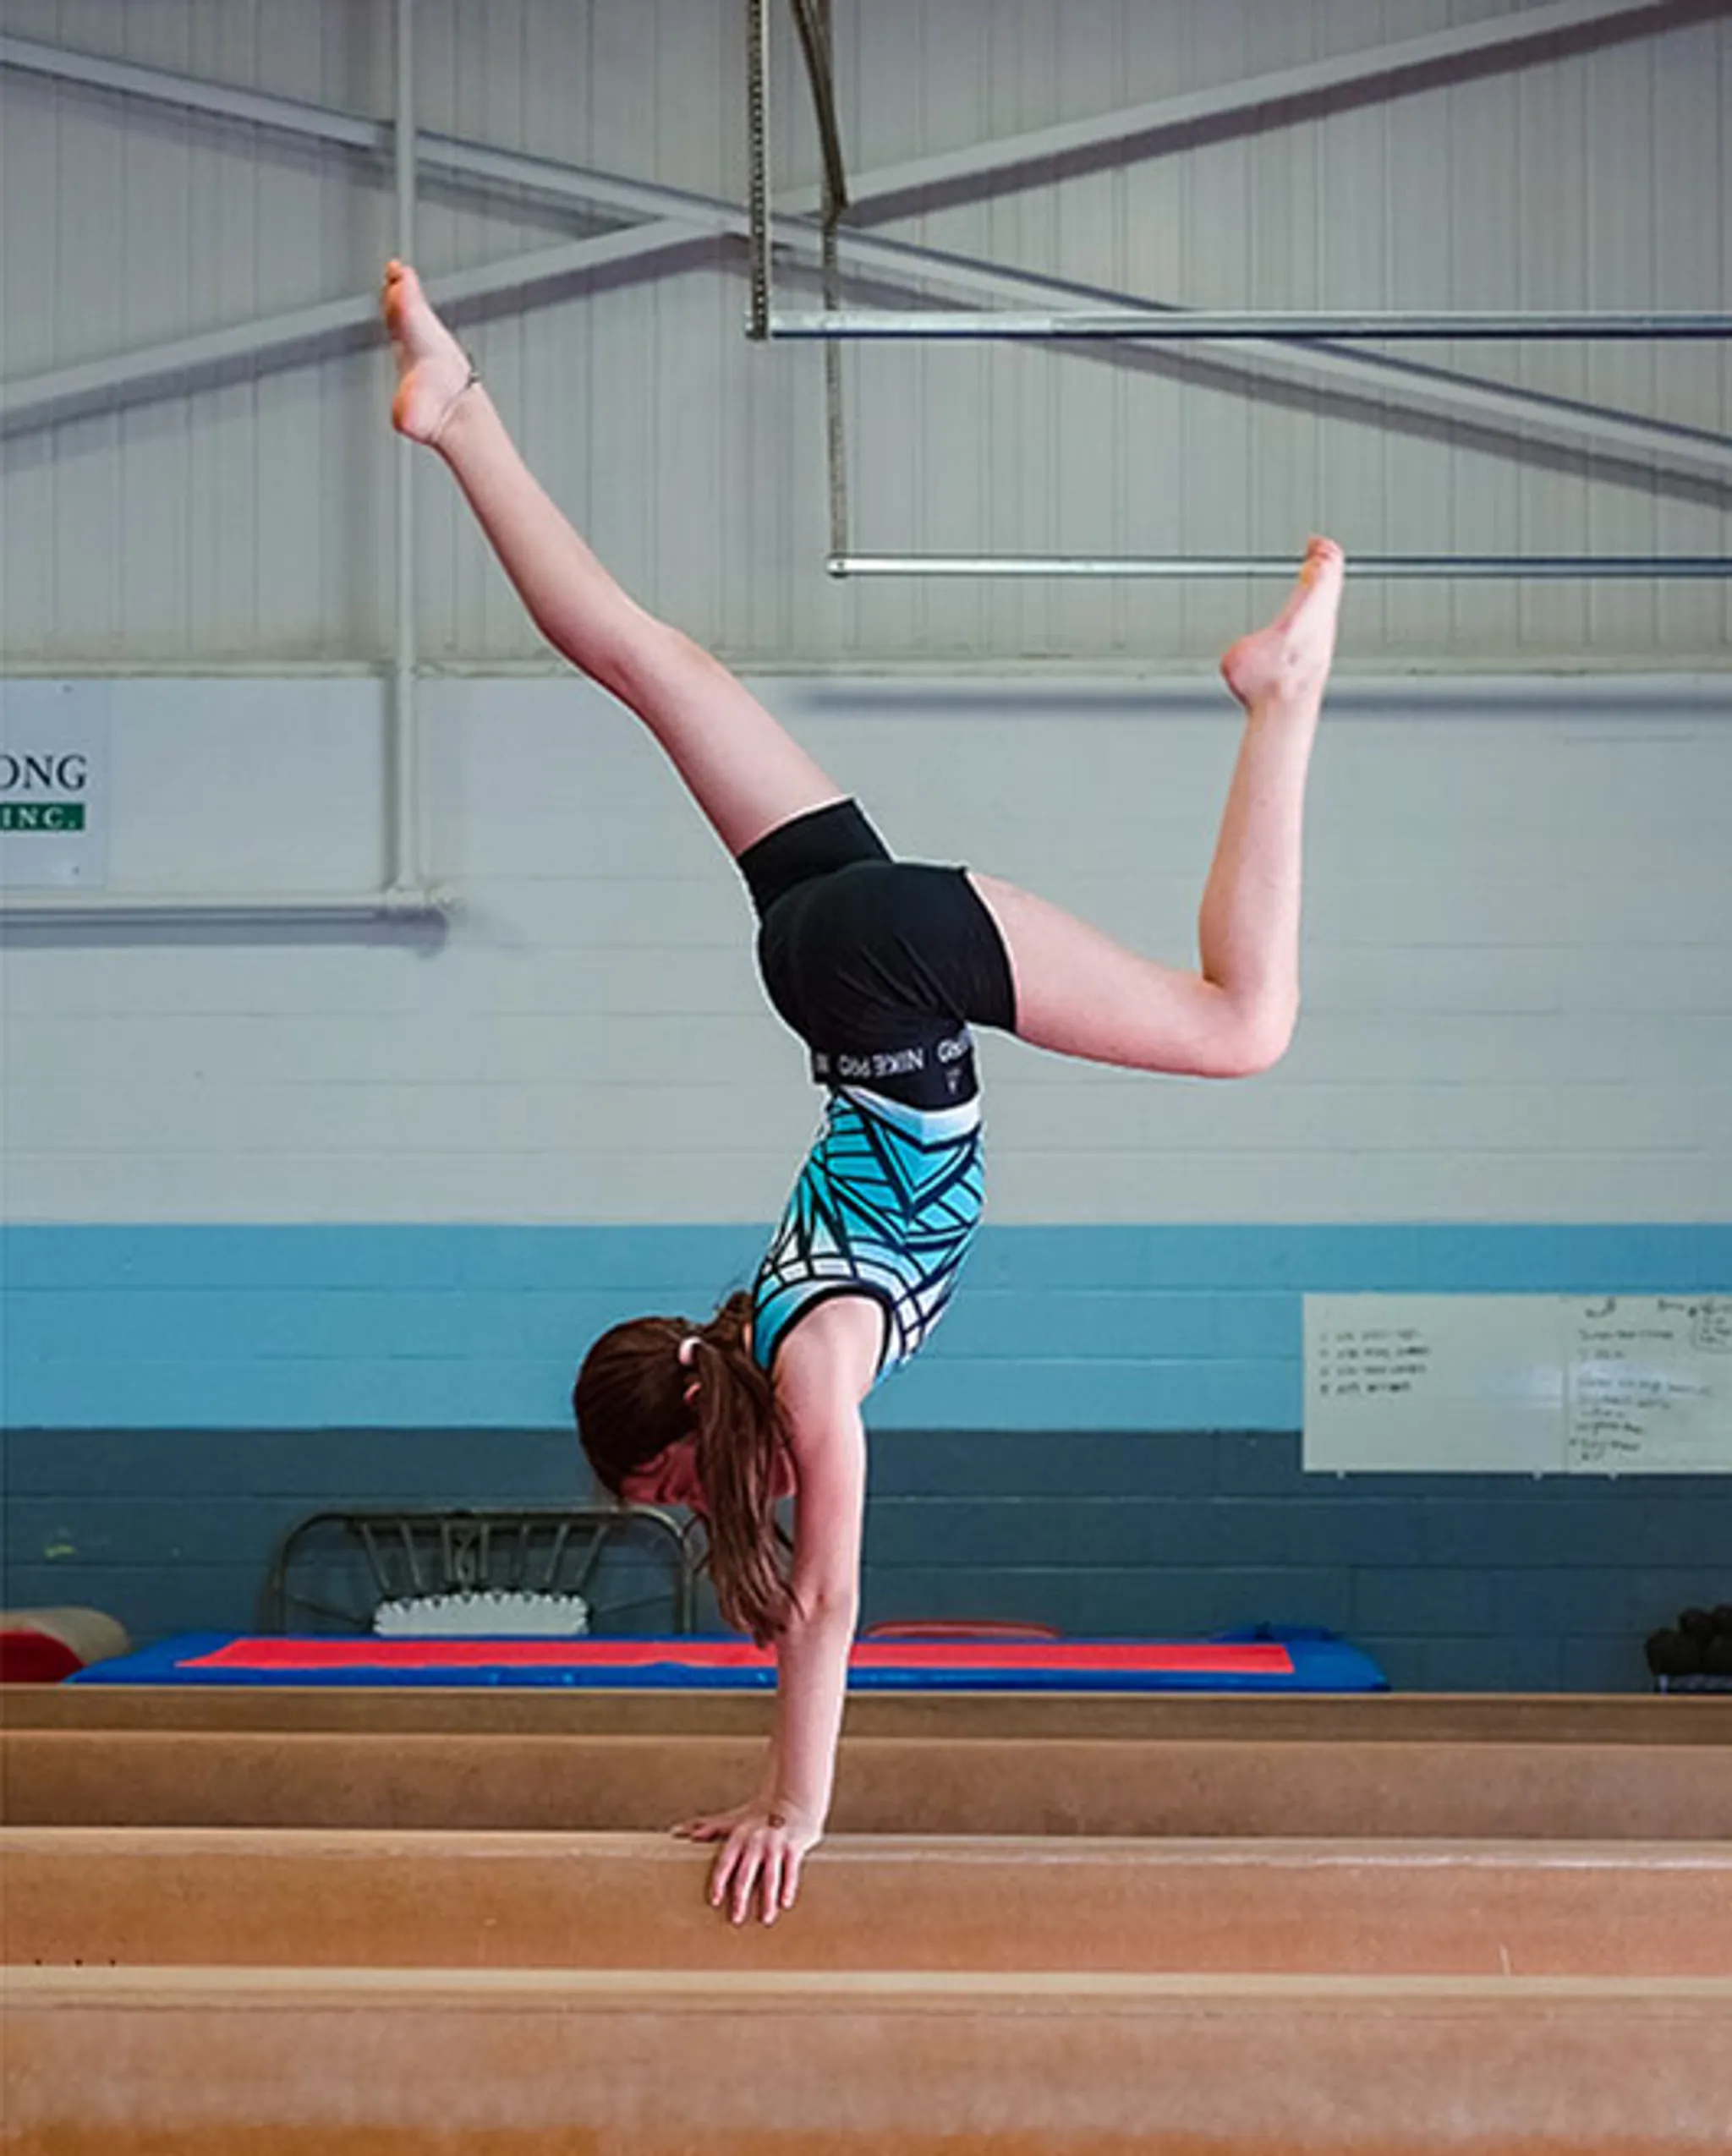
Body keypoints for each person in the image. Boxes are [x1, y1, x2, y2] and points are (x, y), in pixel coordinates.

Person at [381, 259, 1345, 1928]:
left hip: (886, 985)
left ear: (680, 1450)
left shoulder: (810, 1363)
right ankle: (457, 415)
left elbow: (825, 1600)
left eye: (668, 1497)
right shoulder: (757, 1322)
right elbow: (790, 1552)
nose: (688, 1518)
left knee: (1243, 1026)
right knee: (637, 655)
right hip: (820, 953)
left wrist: (793, 1803)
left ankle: (1279, 697)